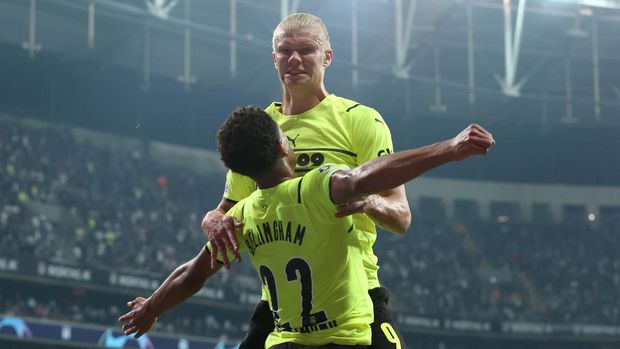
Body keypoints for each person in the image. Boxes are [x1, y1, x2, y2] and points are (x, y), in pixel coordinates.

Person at [119, 106, 495, 348]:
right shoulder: (315, 187)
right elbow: (368, 174)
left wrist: (152, 307)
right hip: (347, 339)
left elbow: (193, 272)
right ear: (284, 147)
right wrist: (449, 147)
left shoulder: (243, 216)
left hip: (284, 341)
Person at [202, 13, 412, 349]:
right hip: (280, 309)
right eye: (285, 51)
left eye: (306, 50)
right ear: (274, 59)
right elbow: (227, 211)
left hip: (354, 298)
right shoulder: (260, 128)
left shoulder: (361, 121)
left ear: (327, 56)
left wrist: (370, 202)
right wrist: (211, 219)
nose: (294, 59)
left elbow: (401, 217)